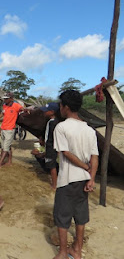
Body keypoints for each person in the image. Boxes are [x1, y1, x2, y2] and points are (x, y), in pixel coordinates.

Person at [52, 90, 98, 259]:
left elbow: (65, 153)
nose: (60, 108)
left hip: (68, 179)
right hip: (85, 180)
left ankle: (63, 252)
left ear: (66, 107)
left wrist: (84, 167)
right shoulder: (89, 130)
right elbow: (95, 156)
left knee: (62, 216)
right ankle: (77, 249)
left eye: (61, 105)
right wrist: (91, 177)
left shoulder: (61, 127)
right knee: (80, 215)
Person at [30, 102, 60, 189]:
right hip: (49, 146)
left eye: (46, 111)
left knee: (52, 165)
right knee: (51, 164)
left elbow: (52, 137)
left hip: (51, 147)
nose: (44, 112)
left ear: (52, 112)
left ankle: (54, 184)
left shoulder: (53, 123)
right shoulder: (51, 122)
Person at [0, 92, 25, 168]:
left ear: (11, 99)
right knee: (7, 146)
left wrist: (26, 109)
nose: (5, 100)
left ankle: (0, 163)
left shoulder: (16, 105)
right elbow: (3, 114)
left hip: (10, 129)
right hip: (4, 128)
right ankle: (9, 161)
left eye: (6, 99)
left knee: (5, 147)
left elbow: (22, 109)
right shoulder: (4, 106)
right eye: (4, 99)